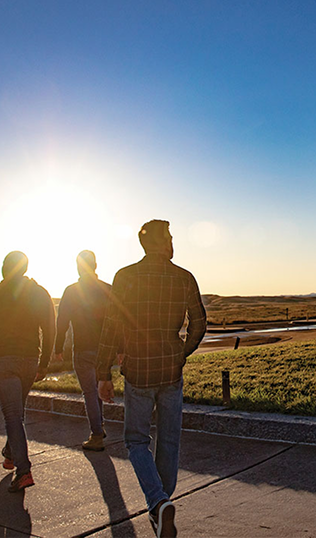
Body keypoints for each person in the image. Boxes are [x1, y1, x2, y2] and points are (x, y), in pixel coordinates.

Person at [97, 220, 207, 538]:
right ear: (158, 242)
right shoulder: (184, 277)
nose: (173, 242)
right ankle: (161, 506)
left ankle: (158, 504)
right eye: (170, 237)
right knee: (169, 440)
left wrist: (104, 373)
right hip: (171, 370)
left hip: (139, 371)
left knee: (136, 441)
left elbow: (111, 327)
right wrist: (181, 352)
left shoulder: (125, 277)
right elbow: (199, 325)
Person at [0, 251, 55, 492]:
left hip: (3, 361)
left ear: (5, 268)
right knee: (17, 412)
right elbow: (50, 329)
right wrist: (45, 361)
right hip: (30, 360)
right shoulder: (39, 293)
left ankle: (24, 470)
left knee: (12, 416)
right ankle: (9, 453)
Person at [54, 250, 112, 451]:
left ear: (78, 267)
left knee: (90, 392)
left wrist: (58, 346)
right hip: (105, 350)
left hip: (83, 349)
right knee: (98, 389)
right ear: (95, 266)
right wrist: (120, 349)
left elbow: (62, 321)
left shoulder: (72, 291)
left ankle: (96, 435)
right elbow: (119, 321)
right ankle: (100, 425)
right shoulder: (107, 289)